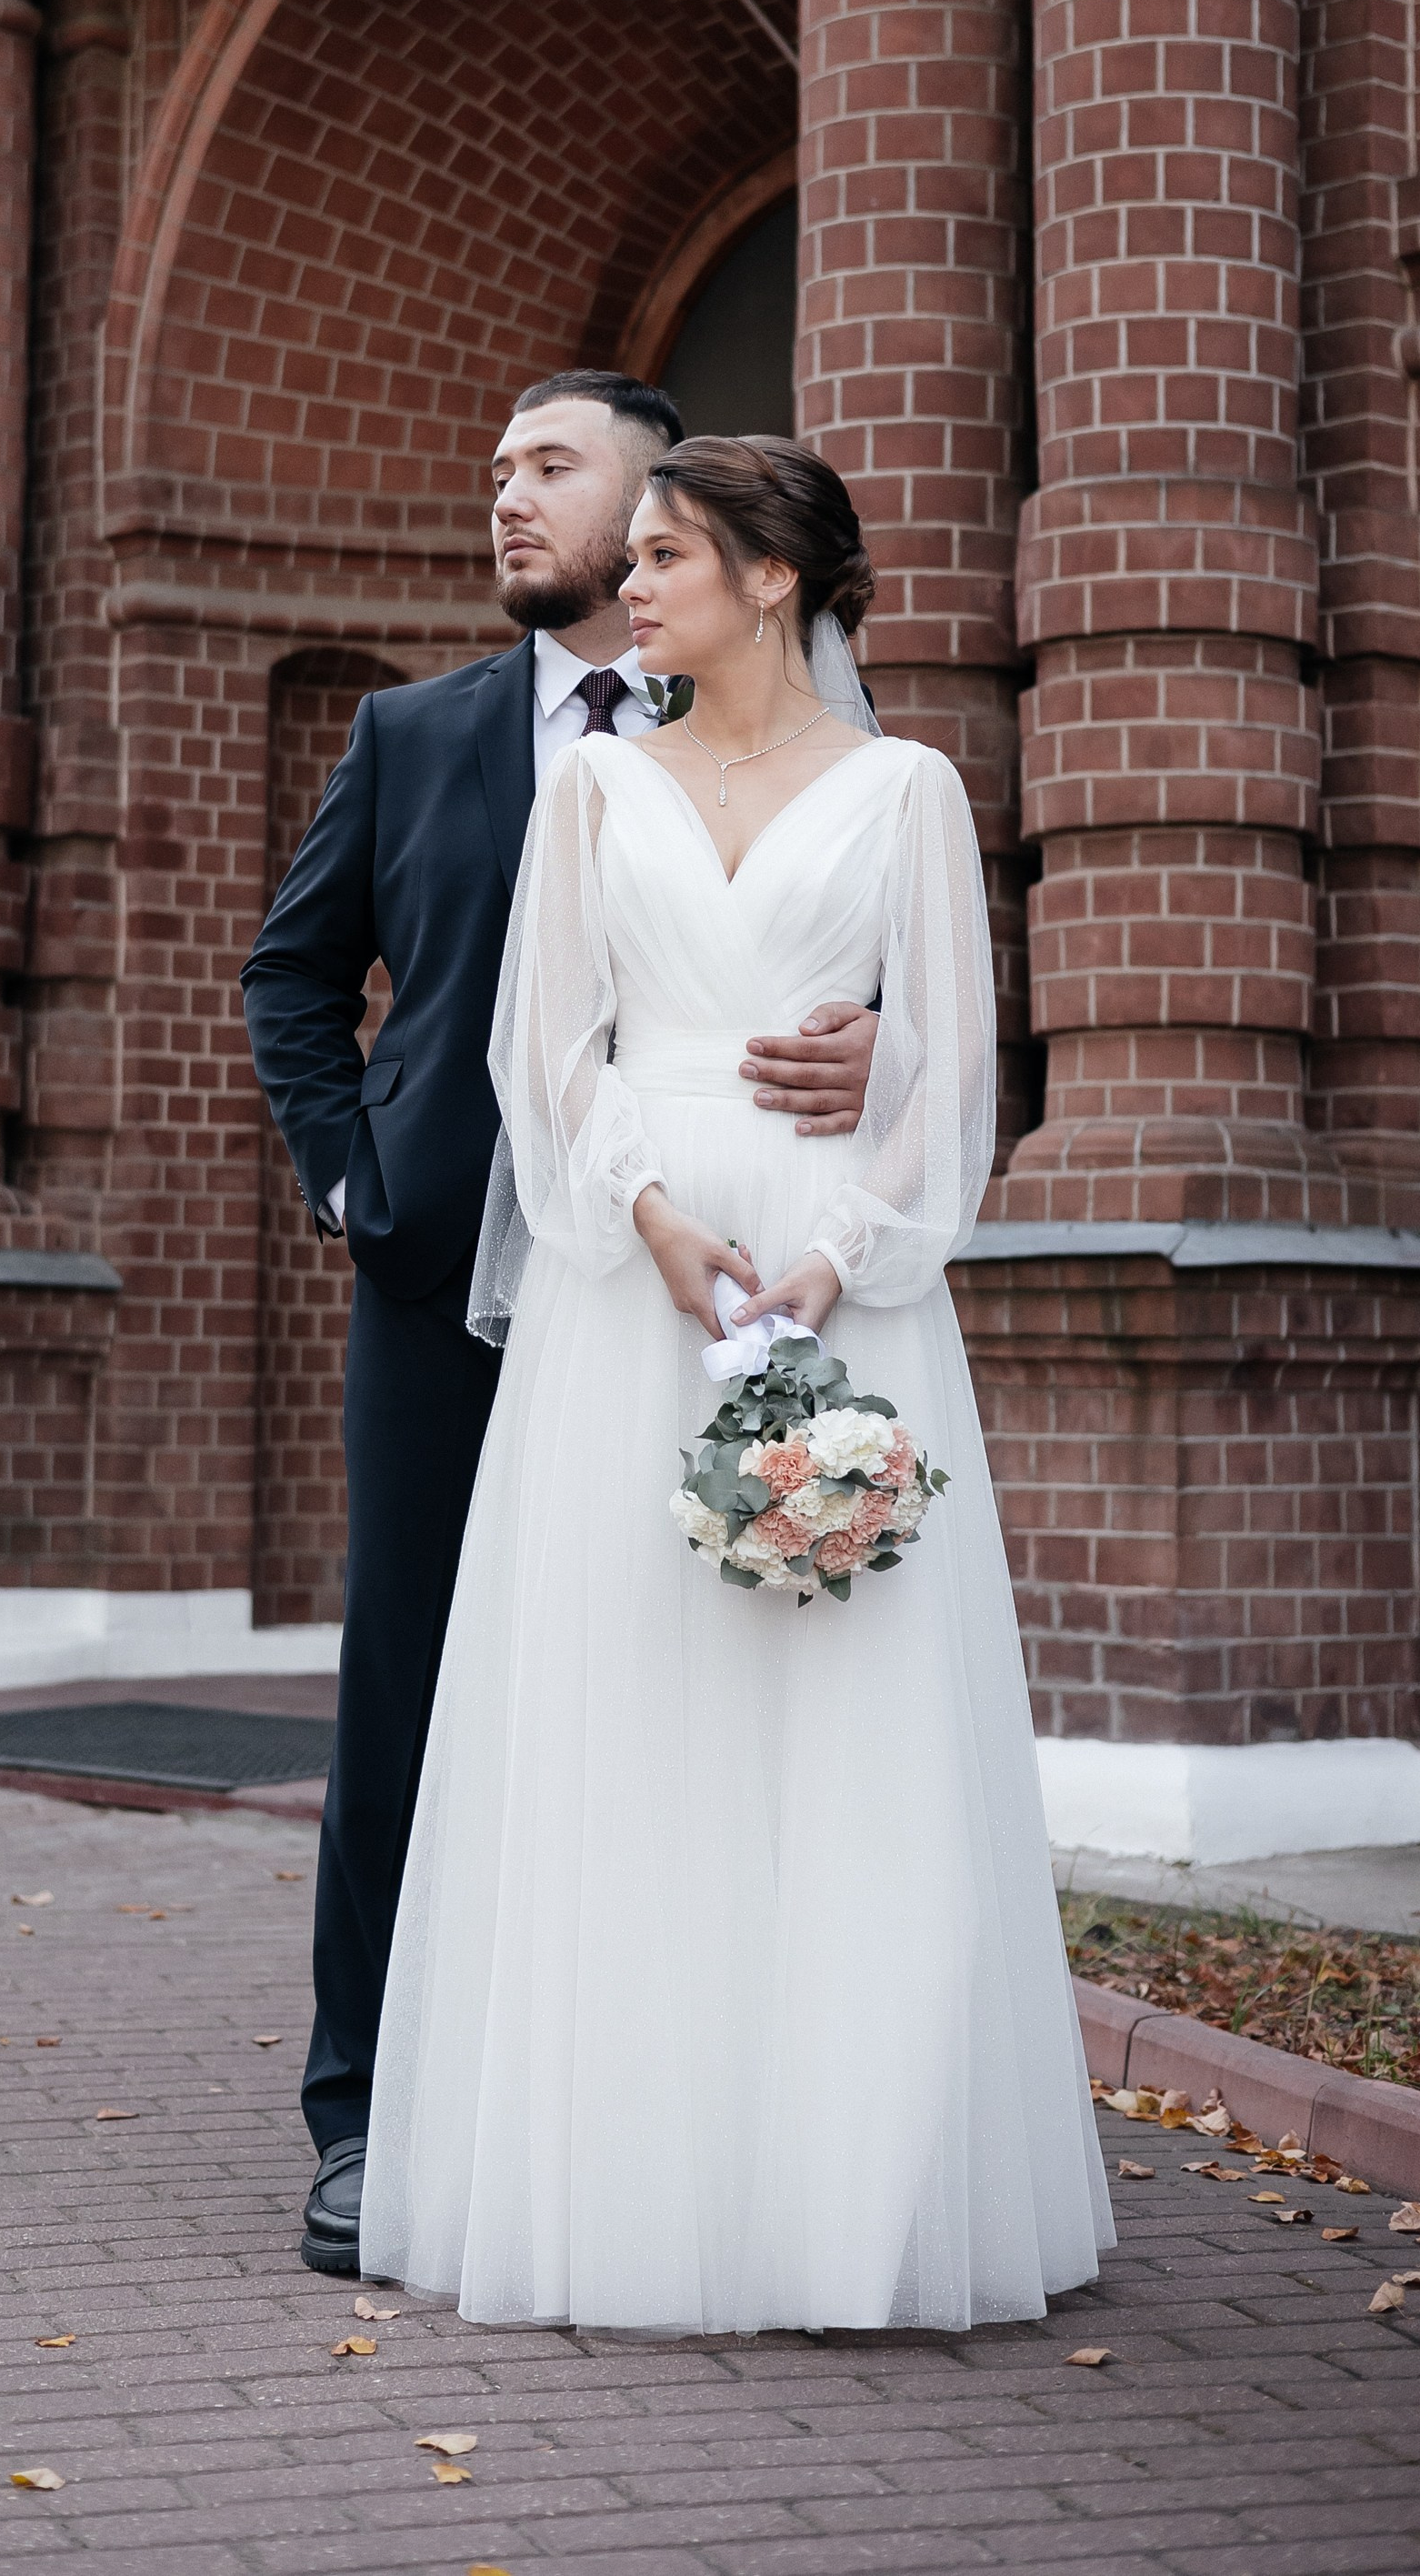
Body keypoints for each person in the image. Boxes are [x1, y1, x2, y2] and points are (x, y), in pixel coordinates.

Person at [359, 435, 1114, 2331]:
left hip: (834, 1288)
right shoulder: (597, 788)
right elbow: (548, 1056)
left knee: (835, 1728)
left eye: (671, 554)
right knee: (634, 1715)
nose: (635, 585)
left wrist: (838, 1250)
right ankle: (630, 2177)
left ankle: (844, 2196)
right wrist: (656, 1214)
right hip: (640, 1283)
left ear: (775, 577)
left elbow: (950, 1073)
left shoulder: (910, 792)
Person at [242, 375, 884, 2275]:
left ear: (655, 502)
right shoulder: (414, 731)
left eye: (549, 469)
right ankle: (367, 2107)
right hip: (452, 1288)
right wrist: (356, 1178)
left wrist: (870, 1040)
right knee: (412, 1694)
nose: (507, 501)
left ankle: (655, 2102)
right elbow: (294, 970)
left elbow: (876, 961)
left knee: (669, 1684)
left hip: (692, 1288)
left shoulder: (780, 739)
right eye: (494, 471)